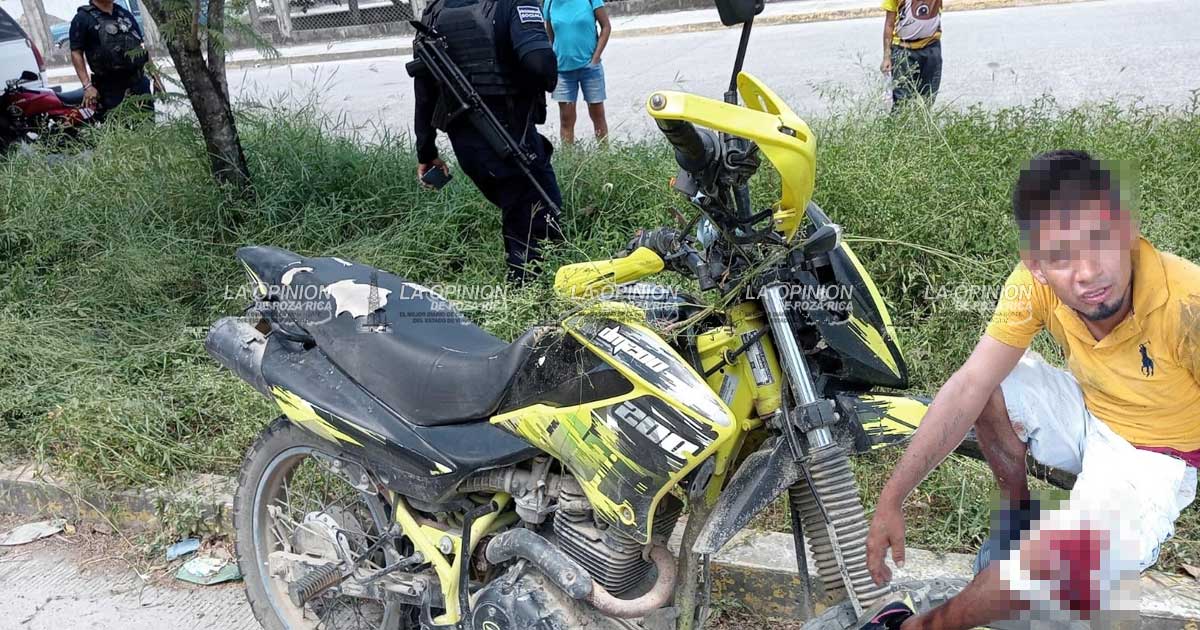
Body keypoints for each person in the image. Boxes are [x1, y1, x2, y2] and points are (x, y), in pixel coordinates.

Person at [862, 151, 1200, 629]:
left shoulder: (1187, 302)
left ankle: (919, 626)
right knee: (991, 382)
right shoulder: (1031, 285)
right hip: (1090, 411)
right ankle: (1016, 514)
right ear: (1036, 265)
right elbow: (969, 385)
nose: (1088, 275)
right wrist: (892, 498)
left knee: (1058, 576)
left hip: (1156, 451)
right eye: (1061, 256)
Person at [412, 0, 564, 282]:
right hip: (510, 139)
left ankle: (542, 266)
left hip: (469, 148)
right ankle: (527, 288)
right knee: (535, 218)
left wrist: (426, 151)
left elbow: (423, 89)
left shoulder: (434, 11)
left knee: (527, 207)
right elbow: (541, 65)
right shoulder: (513, 3)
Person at [69, 0, 162, 118]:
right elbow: (76, 52)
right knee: (120, 131)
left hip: (139, 84)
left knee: (147, 128)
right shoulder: (82, 18)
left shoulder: (124, 14)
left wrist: (155, 76)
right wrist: (87, 86)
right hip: (110, 89)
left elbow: (140, 47)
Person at [544, 0, 611, 143]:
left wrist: (596, 58)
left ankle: (604, 156)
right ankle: (569, 159)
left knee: (597, 115)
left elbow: (606, 27)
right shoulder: (549, 2)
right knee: (566, 119)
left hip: (590, 69)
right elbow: (550, 36)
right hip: (562, 72)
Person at [880, 0, 942, 111]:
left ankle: (924, 126)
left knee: (928, 97)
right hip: (902, 49)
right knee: (901, 101)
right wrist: (886, 57)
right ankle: (899, 126)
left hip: (931, 47)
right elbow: (889, 24)